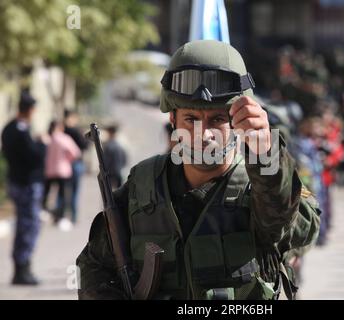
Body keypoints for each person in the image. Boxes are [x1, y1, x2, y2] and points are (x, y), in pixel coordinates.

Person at [76, 40, 321, 300]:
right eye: (191, 119)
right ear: (173, 120)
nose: (203, 134)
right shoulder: (142, 188)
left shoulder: (261, 184)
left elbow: (292, 227)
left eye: (217, 119)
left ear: (238, 122)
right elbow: (93, 267)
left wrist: (265, 152)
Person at [1, 91, 47, 285]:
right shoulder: (21, 130)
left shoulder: (9, 128)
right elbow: (35, 156)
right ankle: (22, 269)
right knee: (29, 226)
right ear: (30, 110)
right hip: (27, 184)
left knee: (23, 226)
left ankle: (21, 268)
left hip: (16, 182)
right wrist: (42, 144)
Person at [43, 120, 81, 230]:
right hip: (63, 170)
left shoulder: (47, 139)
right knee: (62, 195)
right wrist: (67, 160)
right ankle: (60, 216)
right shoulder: (64, 138)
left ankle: (49, 213)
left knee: (48, 194)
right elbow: (75, 153)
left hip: (49, 170)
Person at [63, 110, 88, 224]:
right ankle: (73, 216)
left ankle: (61, 214)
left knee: (63, 190)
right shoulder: (74, 131)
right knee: (74, 191)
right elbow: (85, 145)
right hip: (75, 163)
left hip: (63, 164)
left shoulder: (61, 130)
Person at [103, 124, 127, 190]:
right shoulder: (120, 145)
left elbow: (105, 161)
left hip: (110, 173)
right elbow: (124, 160)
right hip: (118, 171)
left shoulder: (108, 145)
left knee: (107, 195)